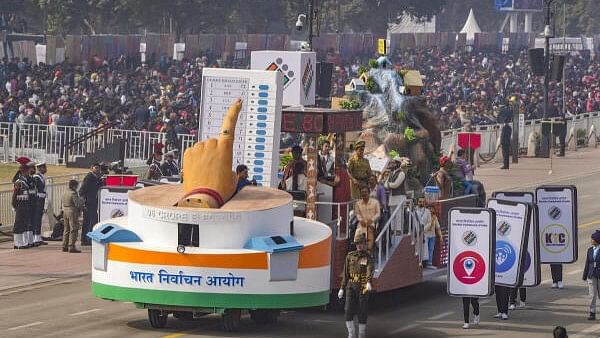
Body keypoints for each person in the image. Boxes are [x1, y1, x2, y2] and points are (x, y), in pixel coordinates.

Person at [338, 234, 374, 338]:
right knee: (348, 309)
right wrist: (341, 288)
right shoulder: (350, 256)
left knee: (362, 310)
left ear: (364, 244)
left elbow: (369, 269)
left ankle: (361, 334)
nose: (359, 245)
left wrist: (368, 281)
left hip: (363, 285)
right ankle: (351, 333)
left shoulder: (368, 257)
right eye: (357, 243)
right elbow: (345, 273)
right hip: (351, 285)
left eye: (361, 243)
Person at [12, 157, 35, 249]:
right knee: (19, 223)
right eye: (26, 170)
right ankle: (17, 242)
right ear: (23, 171)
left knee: (25, 223)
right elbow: (14, 195)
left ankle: (23, 242)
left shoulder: (27, 181)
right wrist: (14, 205)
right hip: (20, 204)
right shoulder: (19, 182)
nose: (28, 172)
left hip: (26, 204)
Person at [79, 163, 103, 246]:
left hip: (93, 202)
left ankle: (88, 239)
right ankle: (85, 240)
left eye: (98, 168)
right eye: (96, 168)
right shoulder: (89, 177)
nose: (97, 169)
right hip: (89, 203)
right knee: (88, 221)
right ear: (91, 168)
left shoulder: (97, 177)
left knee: (92, 221)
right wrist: (85, 200)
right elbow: (82, 190)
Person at [354, 186, 380, 252]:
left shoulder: (375, 202)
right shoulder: (358, 203)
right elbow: (357, 214)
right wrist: (361, 220)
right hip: (361, 223)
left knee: (369, 231)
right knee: (358, 234)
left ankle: (368, 251)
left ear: (369, 193)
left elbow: (378, 214)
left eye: (365, 192)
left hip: (372, 223)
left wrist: (371, 220)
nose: (364, 194)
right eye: (362, 192)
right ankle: (360, 252)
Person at [61, 179, 84, 253]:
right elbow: (77, 204)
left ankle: (64, 245)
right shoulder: (73, 193)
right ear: (74, 186)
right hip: (72, 211)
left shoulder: (65, 192)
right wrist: (82, 200)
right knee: (74, 228)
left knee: (66, 229)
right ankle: (71, 246)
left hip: (65, 210)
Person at [582, 230, 600, 320]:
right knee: (592, 295)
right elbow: (587, 263)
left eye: (592, 238)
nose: (591, 240)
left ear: (597, 240)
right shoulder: (590, 250)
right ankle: (592, 312)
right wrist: (584, 275)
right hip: (591, 274)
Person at [31, 162, 49, 246]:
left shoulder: (41, 177)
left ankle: (37, 237)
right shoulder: (36, 177)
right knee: (36, 219)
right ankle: (35, 238)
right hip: (38, 200)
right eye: (43, 167)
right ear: (39, 168)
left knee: (39, 219)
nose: (45, 169)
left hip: (41, 199)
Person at [416, 197, 433, 266]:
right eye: (420, 201)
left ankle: (424, 263)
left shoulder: (427, 211)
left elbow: (429, 222)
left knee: (424, 248)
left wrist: (423, 229)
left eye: (423, 202)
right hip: (416, 233)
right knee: (417, 247)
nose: (421, 203)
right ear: (418, 202)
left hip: (424, 233)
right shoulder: (414, 211)